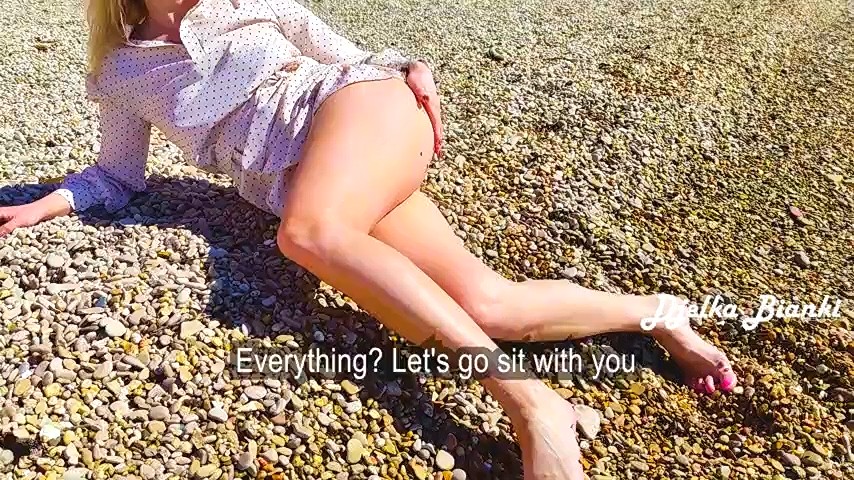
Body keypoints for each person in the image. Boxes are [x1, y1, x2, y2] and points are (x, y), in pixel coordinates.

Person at [0, 0, 738, 477]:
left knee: (308, 235)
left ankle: (530, 404)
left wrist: (415, 71)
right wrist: (48, 204)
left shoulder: (248, 3)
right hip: (314, 183)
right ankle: (657, 312)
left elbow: (358, 60)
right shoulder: (120, 71)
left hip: (356, 115)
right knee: (491, 306)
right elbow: (117, 173)